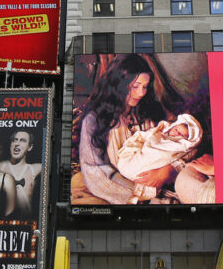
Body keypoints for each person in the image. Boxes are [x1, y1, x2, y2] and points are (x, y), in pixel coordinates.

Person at [77, 54, 200, 204]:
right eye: (135, 86)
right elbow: (95, 172)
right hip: (123, 185)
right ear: (118, 84)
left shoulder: (150, 109)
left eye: (145, 87)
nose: (141, 93)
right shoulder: (94, 119)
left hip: (165, 179)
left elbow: (189, 142)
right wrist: (142, 194)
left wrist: (168, 171)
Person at [116, 114, 203, 204]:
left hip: (151, 172)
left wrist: (167, 171)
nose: (177, 133)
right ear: (172, 127)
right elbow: (142, 137)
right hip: (137, 158)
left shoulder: (181, 148)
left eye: (182, 135)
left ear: (187, 141)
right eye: (176, 129)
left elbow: (179, 161)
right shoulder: (159, 134)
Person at [0, 130, 43, 218]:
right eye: (15, 140)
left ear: (30, 147)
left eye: (22, 140)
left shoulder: (36, 169)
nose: (17, 143)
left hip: (27, 222)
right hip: (2, 221)